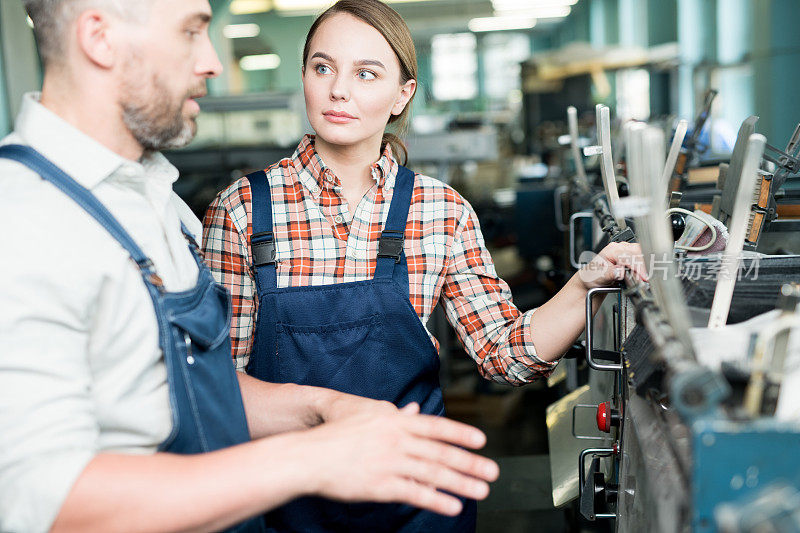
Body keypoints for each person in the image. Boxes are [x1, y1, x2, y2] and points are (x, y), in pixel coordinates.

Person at [0, 1, 501, 532]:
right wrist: (313, 459)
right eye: (192, 31)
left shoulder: (157, 205)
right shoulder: (23, 220)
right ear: (99, 37)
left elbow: (207, 389)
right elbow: (38, 501)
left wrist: (329, 410)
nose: (214, 62)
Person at [202, 0, 648, 531]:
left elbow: (504, 355)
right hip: (284, 504)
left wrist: (584, 286)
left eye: (367, 74)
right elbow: (217, 388)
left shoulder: (440, 211)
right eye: (323, 68)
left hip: (417, 505)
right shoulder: (242, 210)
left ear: (401, 94)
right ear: (304, 77)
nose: (339, 90)